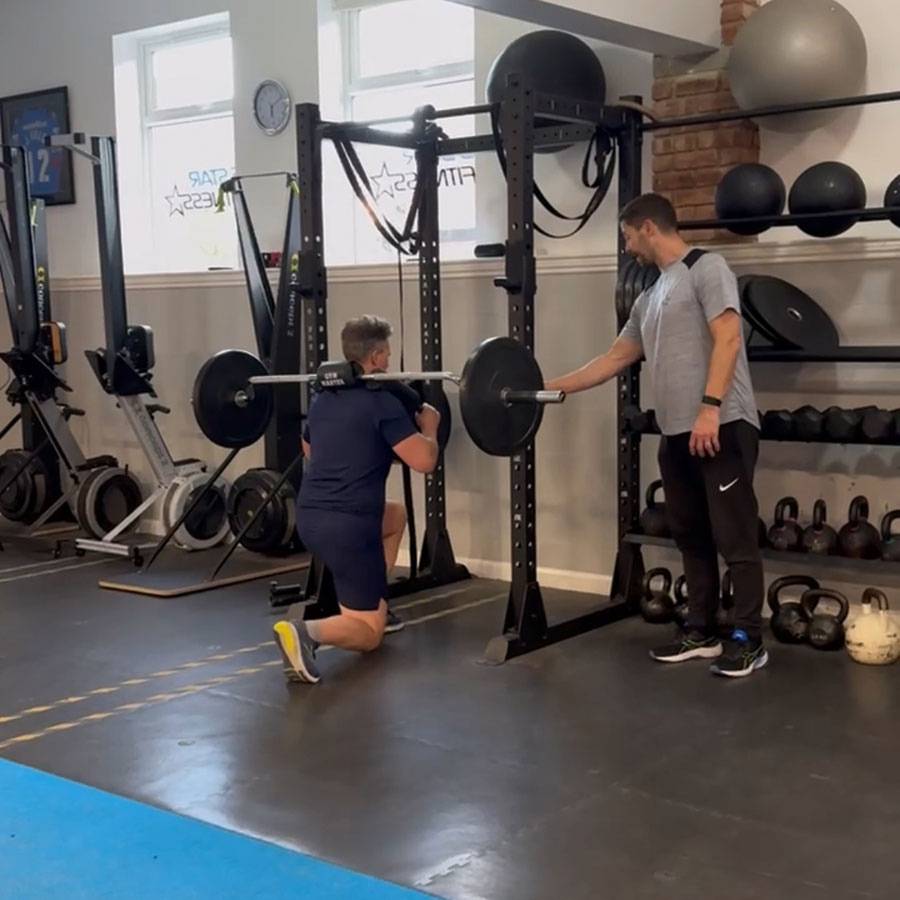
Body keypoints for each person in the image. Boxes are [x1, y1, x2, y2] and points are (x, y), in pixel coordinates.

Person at [546, 193, 767, 678]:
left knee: (735, 536)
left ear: (648, 227)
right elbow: (611, 359)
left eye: (626, 236)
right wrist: (542, 388)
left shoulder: (708, 268)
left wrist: (710, 409)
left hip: (721, 423)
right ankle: (702, 629)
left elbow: (729, 337)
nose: (627, 248)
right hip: (676, 432)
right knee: (691, 535)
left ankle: (749, 638)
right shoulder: (650, 296)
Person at [273, 315, 442, 684]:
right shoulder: (381, 404)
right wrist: (430, 427)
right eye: (388, 353)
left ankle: (375, 599)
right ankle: (307, 633)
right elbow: (424, 461)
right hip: (350, 526)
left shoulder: (324, 399)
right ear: (379, 357)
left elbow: (310, 448)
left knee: (395, 518)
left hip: (311, 517)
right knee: (368, 634)